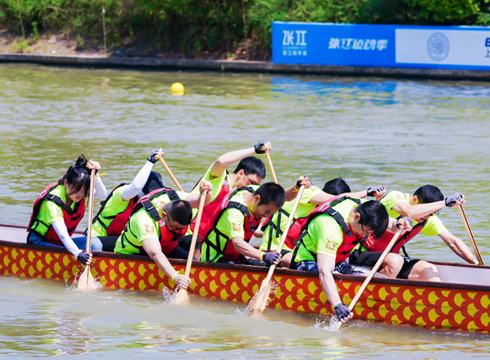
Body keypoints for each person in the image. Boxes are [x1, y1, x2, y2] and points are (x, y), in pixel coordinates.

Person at [290, 197, 411, 324]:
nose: (365, 236)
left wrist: (403, 223)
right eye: (365, 232)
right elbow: (325, 271)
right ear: (356, 217)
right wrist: (338, 306)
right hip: (308, 261)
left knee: (381, 279)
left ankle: (367, 310)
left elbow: (392, 225)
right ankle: (340, 307)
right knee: (335, 278)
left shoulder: (364, 208)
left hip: (338, 260)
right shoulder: (330, 229)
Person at [349, 185, 476, 281]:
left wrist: (478, 266)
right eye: (426, 211)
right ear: (414, 199)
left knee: (428, 270)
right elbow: (409, 212)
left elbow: (453, 242)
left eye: (431, 213)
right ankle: (374, 302)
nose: (427, 216)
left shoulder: (427, 218)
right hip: (358, 254)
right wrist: (445, 203)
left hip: (388, 259)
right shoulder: (396, 197)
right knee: (395, 261)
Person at [258, 176, 385, 268]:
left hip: (299, 249)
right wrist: (367, 192)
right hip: (277, 249)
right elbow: (340, 198)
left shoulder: (326, 214)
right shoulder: (309, 192)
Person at [113, 181, 212, 290]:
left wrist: (206, 192)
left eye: (182, 228)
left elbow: (201, 201)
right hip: (133, 255)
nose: (179, 231)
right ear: (164, 216)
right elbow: (155, 254)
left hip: (166, 248)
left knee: (195, 263)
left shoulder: (174, 198)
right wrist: (175, 277)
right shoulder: (144, 219)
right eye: (176, 227)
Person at [183, 141, 272, 257]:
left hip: (213, 241)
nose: (252, 188)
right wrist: (255, 149)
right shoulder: (218, 178)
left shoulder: (242, 197)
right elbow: (221, 161)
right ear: (240, 173)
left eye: (256, 185)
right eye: (252, 182)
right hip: (191, 237)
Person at [27, 154, 107, 266]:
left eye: (84, 190)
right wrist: (78, 253)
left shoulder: (79, 194)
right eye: (77, 189)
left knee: (95, 244)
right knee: (75, 253)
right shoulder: (51, 203)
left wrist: (96, 174)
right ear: (65, 183)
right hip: (40, 243)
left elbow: (102, 194)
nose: (80, 194)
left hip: (60, 242)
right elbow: (63, 234)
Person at [90, 148, 165, 251]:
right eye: (148, 193)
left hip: (119, 243)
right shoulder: (121, 194)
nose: (151, 197)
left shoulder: (151, 203)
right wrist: (151, 161)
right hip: (95, 242)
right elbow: (136, 186)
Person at [200, 182, 288, 266]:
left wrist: (297, 187)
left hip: (234, 256)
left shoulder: (254, 191)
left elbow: (285, 196)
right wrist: (263, 255)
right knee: (265, 265)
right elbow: (238, 244)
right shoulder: (234, 213)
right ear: (257, 198)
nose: (266, 216)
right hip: (215, 259)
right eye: (267, 211)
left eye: (270, 213)